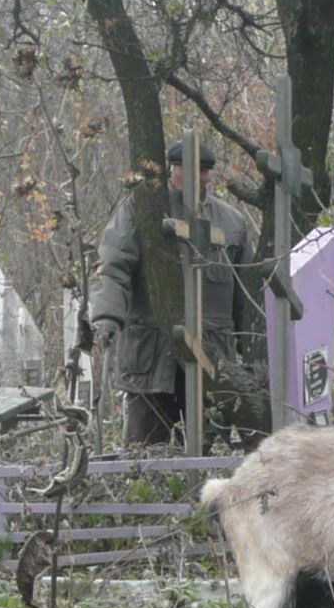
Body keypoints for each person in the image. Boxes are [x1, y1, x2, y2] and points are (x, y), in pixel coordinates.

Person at [87, 141, 263, 445]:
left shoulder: (232, 225)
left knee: (207, 448)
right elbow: (113, 266)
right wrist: (106, 316)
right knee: (144, 452)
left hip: (212, 361)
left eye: (205, 172)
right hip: (152, 358)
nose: (198, 179)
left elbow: (245, 299)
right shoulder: (142, 210)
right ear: (173, 170)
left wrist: (254, 356)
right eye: (188, 170)